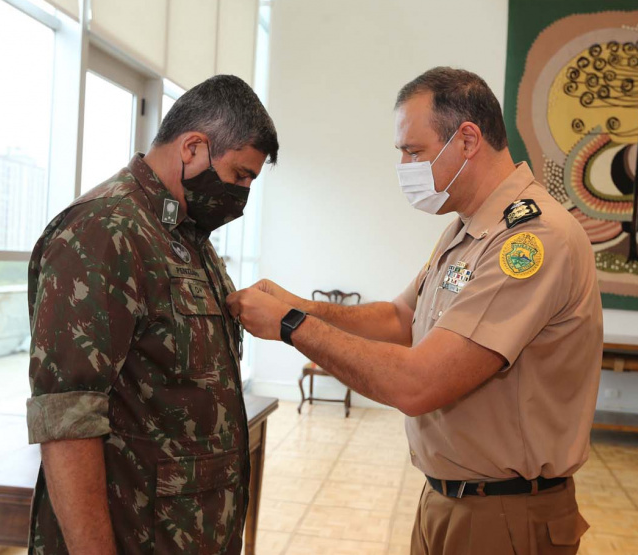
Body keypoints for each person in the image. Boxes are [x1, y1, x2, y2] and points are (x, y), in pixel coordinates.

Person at [228, 66, 602, 554]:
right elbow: (399, 319)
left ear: (467, 139)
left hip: (503, 515)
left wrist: (291, 326)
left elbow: (419, 383)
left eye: (414, 151)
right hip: (449, 499)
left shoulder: (531, 240)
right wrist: (300, 305)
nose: (404, 165)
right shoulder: (466, 228)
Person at [25, 75, 278, 555]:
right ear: (193, 148)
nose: (242, 195)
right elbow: (66, 421)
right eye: (241, 175)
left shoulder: (185, 233)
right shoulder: (105, 230)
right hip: (134, 535)